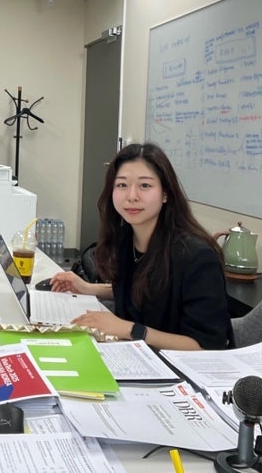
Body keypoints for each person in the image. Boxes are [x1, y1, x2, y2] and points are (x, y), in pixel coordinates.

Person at [50, 142, 234, 350]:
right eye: (122, 185)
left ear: (165, 193)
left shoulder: (197, 256)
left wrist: (130, 329)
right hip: (135, 354)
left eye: (145, 186)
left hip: (179, 364)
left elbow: (207, 346)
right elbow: (143, 290)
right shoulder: (126, 238)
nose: (132, 196)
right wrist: (88, 288)